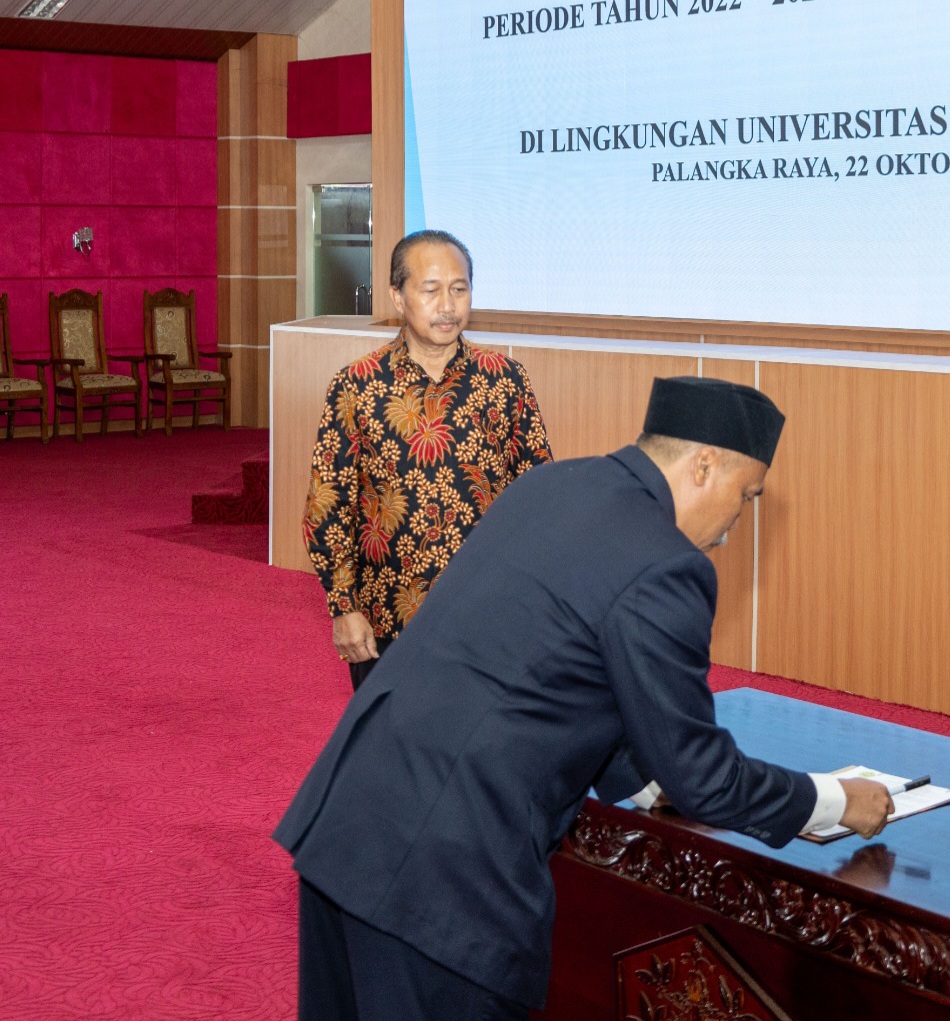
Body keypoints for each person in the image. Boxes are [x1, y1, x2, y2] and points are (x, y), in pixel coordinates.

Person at [273, 376, 896, 1021]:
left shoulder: (552, 484)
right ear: (704, 466)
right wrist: (834, 801)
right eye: (746, 497)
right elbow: (706, 778)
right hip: (443, 875)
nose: (734, 529)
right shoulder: (667, 564)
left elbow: (550, 667)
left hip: (351, 819)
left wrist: (649, 778)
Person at [302, 229, 552, 689]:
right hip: (389, 620)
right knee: (392, 755)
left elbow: (538, 497)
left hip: (490, 616)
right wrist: (343, 607)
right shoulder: (356, 386)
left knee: (486, 755)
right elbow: (327, 506)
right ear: (398, 296)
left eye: (459, 289)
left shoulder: (505, 380)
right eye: (431, 290)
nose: (448, 305)